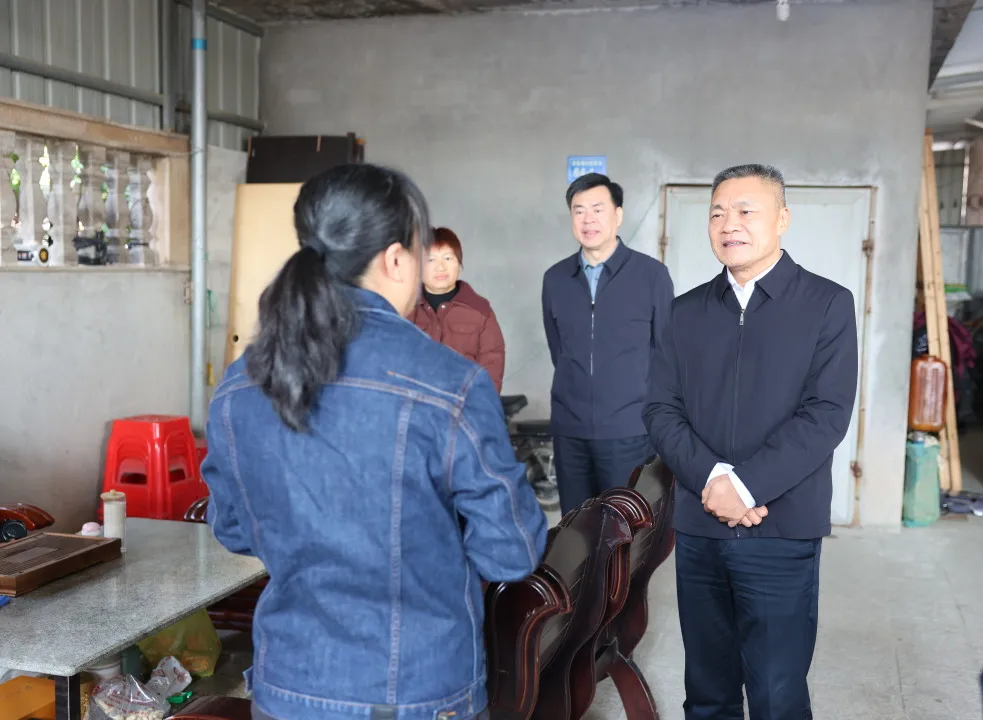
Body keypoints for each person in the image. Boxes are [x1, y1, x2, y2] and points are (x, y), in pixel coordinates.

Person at [201, 164, 547, 720]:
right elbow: (510, 552)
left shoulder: (242, 381)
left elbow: (234, 529)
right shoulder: (449, 383)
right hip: (415, 691)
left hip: (286, 686)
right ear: (395, 259)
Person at [643, 164, 859, 719]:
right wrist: (714, 480)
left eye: (745, 211)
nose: (729, 224)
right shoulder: (685, 311)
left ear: (782, 219)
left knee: (777, 695)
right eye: (717, 212)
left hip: (781, 528)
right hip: (701, 526)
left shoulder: (826, 304)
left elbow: (826, 414)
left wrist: (745, 486)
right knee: (707, 692)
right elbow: (661, 409)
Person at [541, 172, 675, 515]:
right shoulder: (555, 279)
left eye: (598, 209)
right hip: (570, 431)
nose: (588, 219)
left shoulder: (651, 276)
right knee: (574, 530)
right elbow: (559, 350)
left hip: (629, 431)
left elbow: (666, 354)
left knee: (625, 529)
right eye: (579, 210)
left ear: (618, 214)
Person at [410, 227, 507, 392]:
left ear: (459, 264)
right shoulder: (403, 311)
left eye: (448, 258)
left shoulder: (480, 311)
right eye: (431, 260)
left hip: (463, 405)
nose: (441, 267)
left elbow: (491, 372)